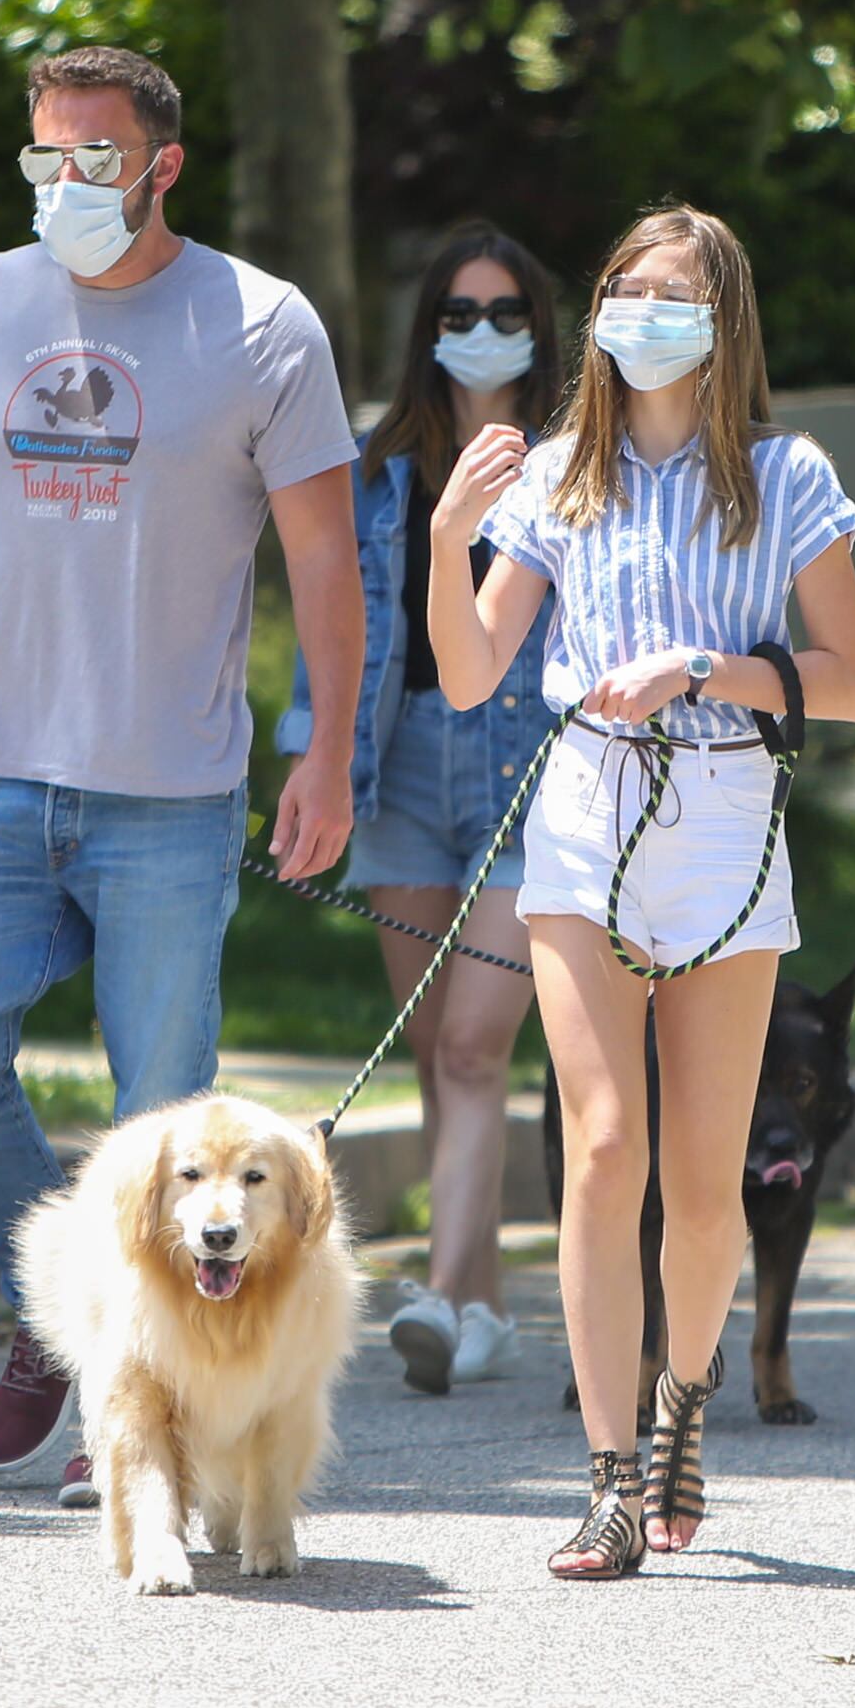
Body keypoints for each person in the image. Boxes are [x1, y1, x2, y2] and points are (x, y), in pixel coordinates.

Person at [0, 44, 366, 1501]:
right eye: (43, 154)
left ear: (163, 164)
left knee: (174, 1127)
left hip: (169, 793)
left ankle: (135, 1398)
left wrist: (327, 754)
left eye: (92, 155)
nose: (63, 181)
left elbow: (324, 560)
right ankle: (63, 1300)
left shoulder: (265, 325)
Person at [428, 203, 855, 1581]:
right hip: (584, 813)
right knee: (605, 1143)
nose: (637, 312)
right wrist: (452, 533)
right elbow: (465, 671)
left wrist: (708, 669)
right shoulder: (559, 469)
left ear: (722, 318)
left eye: (670, 292)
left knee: (702, 1173)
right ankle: (611, 1476)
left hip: (727, 822)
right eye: (624, 288)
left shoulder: (787, 474)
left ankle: (689, 1403)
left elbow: (852, 679)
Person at [278, 224, 563, 1395]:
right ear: (426, 331)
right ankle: (483, 1305)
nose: (480, 331)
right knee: (434, 1057)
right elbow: (333, 632)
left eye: (505, 311)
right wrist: (315, 763)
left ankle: (441, 1298)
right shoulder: (376, 463)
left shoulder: (573, 462)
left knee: (472, 1044)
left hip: (530, 779)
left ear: (542, 331)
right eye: (457, 312)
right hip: (400, 775)